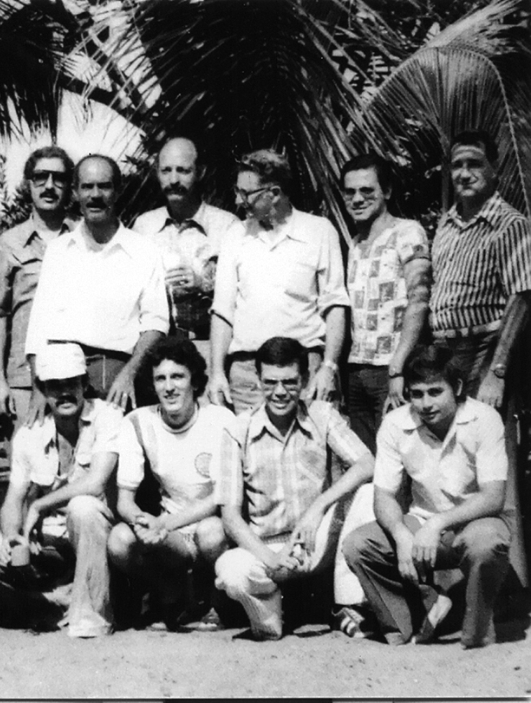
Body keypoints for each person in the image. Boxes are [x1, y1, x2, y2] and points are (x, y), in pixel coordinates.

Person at [344, 344, 512, 648]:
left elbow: (493, 497)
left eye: (435, 392)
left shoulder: (484, 418)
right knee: (359, 545)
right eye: (416, 393)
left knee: (487, 543)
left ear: (457, 388)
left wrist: (438, 524)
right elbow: (383, 496)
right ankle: (413, 619)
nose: (425, 403)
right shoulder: (395, 423)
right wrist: (401, 534)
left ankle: (475, 632)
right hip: (421, 526)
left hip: (474, 523)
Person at [213, 337, 374, 640]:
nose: (279, 392)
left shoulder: (322, 414)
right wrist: (271, 558)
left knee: (366, 493)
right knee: (231, 569)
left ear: (304, 381)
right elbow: (231, 516)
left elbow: (367, 464)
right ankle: (270, 615)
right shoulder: (238, 429)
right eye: (270, 382)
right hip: (268, 549)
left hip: (316, 541)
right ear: (259, 380)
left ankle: (348, 606)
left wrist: (318, 507)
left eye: (289, 382)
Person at [428, 129, 531, 585]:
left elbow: (523, 297)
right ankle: (460, 577)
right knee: (451, 466)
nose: (464, 173)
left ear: (495, 171)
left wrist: (498, 372)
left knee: (494, 463)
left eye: (474, 164)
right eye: (457, 165)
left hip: (487, 350)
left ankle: (509, 581)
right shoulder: (447, 223)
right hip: (446, 353)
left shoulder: (510, 224)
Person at [0, 344, 123, 638]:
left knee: (83, 507)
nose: (64, 393)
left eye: (72, 383)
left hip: (100, 533)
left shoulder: (108, 417)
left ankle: (91, 616)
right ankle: (64, 600)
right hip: (52, 540)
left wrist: (39, 506)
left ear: (85, 383)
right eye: (55, 386)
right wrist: (10, 535)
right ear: (42, 389)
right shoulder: (30, 433)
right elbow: (12, 501)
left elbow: (95, 483)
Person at [25, 154, 169, 414]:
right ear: (76, 192)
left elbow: (156, 324)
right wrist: (38, 388)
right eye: (87, 187)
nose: (95, 195)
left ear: (118, 191)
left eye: (104, 186)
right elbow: (38, 328)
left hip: (116, 376)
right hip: (60, 376)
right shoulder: (58, 251)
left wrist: (129, 375)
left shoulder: (143, 251)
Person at [209, 149, 350, 414]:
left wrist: (329, 366)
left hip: (304, 371)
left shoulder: (319, 231)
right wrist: (216, 373)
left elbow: (335, 304)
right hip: (247, 375)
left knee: (312, 452)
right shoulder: (235, 235)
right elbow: (223, 311)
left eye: (246, 193)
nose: (238, 201)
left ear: (274, 193)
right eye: (237, 190)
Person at [107, 337, 234, 630]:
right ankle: (168, 593)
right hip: (169, 534)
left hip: (208, 526)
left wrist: (167, 524)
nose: (169, 387)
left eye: (177, 376)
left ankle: (214, 602)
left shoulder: (220, 419)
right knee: (119, 541)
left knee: (212, 532)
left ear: (194, 381)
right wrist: (146, 522)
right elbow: (124, 501)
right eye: (160, 379)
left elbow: (221, 496)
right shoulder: (138, 421)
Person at [341, 153, 431, 452]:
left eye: (367, 190)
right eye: (350, 192)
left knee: (399, 457)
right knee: (365, 459)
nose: (357, 198)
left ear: (387, 191)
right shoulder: (354, 244)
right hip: (357, 370)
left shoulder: (408, 232)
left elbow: (419, 299)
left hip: (392, 370)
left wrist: (398, 366)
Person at [0, 146, 77, 422]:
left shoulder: (85, 239)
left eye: (59, 178)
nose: (49, 186)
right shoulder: (8, 244)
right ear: (28, 184)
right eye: (41, 177)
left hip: (76, 374)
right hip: (25, 379)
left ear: (70, 186)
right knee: (27, 457)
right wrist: (0, 381)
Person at [131, 137, 242, 364]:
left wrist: (204, 284)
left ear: (200, 172)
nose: (173, 180)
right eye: (166, 171)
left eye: (183, 171)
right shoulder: (143, 226)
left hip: (211, 347)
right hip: (158, 353)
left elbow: (244, 289)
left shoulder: (227, 226)